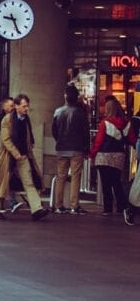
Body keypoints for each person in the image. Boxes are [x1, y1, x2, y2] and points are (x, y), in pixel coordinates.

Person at [0, 93, 47, 219]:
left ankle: (36, 209)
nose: (26, 109)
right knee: (2, 182)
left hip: (23, 157)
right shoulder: (7, 119)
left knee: (29, 182)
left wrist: (26, 151)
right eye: (24, 106)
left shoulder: (25, 119)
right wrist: (16, 154)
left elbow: (27, 136)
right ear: (17, 106)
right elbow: (5, 140)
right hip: (8, 157)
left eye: (27, 106)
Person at [49, 84, 91, 215]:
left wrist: (60, 140)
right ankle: (74, 205)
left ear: (65, 97)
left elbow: (54, 131)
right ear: (76, 97)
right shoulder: (81, 113)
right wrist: (86, 148)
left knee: (61, 176)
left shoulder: (58, 111)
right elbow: (86, 132)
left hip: (62, 148)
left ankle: (58, 205)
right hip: (77, 149)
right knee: (75, 177)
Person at [91, 95, 133, 224]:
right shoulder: (127, 123)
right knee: (116, 182)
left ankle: (108, 208)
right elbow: (131, 139)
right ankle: (122, 206)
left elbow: (98, 141)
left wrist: (92, 154)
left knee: (105, 183)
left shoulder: (105, 123)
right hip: (119, 156)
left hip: (104, 156)